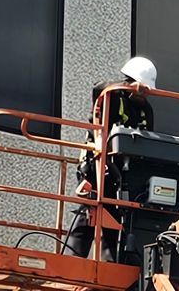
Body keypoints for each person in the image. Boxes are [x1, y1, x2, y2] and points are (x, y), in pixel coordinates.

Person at [67, 54, 158, 260]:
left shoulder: (145, 110)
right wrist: (125, 87)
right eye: (142, 89)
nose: (145, 95)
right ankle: (72, 258)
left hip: (124, 171)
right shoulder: (112, 96)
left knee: (114, 219)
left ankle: (110, 262)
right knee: (88, 213)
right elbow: (98, 88)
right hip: (96, 165)